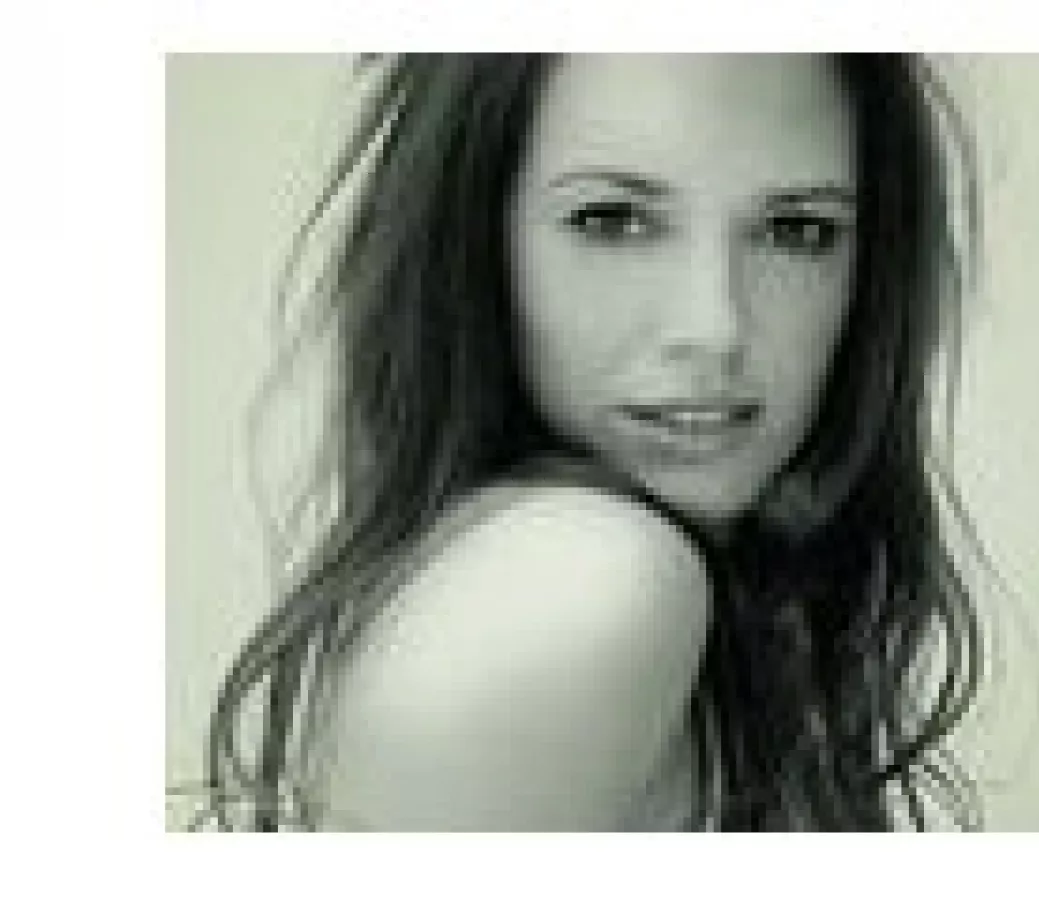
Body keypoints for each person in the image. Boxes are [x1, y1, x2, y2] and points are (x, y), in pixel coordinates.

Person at [191, 52, 991, 831]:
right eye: (612, 221)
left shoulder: (555, 573)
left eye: (797, 230)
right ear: (477, 232)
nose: (714, 327)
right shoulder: (593, 586)